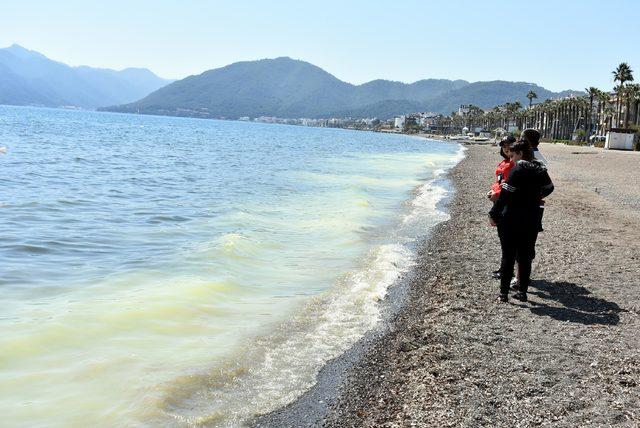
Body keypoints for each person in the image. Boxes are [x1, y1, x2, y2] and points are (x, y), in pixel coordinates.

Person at [489, 139, 554, 302]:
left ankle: (503, 294)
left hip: (511, 218)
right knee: (525, 257)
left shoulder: (517, 170)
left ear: (520, 153)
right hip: (532, 218)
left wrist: (493, 214)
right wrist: (536, 198)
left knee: (508, 256)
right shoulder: (540, 169)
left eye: (513, 155)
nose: (511, 158)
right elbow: (550, 187)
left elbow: (505, 196)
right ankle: (522, 293)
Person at [488, 136, 515, 279]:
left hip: (508, 203)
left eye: (509, 145)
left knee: (507, 238)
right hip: (498, 201)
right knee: (502, 237)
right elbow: (499, 182)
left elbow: (510, 185)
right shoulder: (503, 162)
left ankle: (508, 271)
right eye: (503, 145)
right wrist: (493, 190)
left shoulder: (514, 164)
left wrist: (497, 193)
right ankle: (504, 268)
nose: (506, 148)